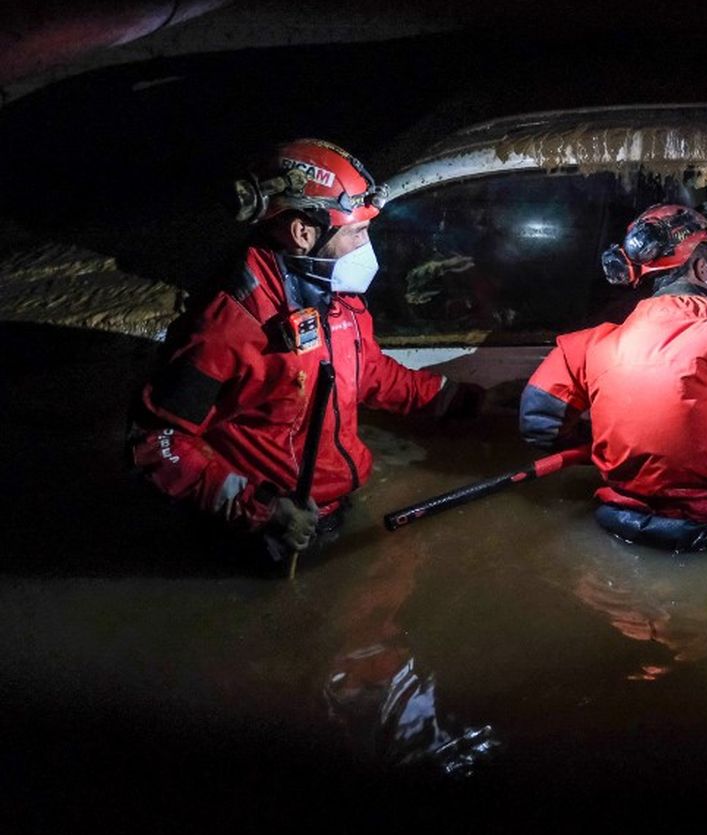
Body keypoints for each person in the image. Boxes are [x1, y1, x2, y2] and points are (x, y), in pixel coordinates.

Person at [132, 139, 488, 567]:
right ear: (303, 233)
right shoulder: (230, 324)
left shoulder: (332, 292)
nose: (366, 246)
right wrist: (263, 509)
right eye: (358, 231)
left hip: (330, 509)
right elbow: (157, 441)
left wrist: (465, 400)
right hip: (265, 536)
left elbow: (368, 373)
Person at [519, 204, 707, 552]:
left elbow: (537, 421)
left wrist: (596, 442)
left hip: (617, 521)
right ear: (702, 270)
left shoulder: (588, 345)